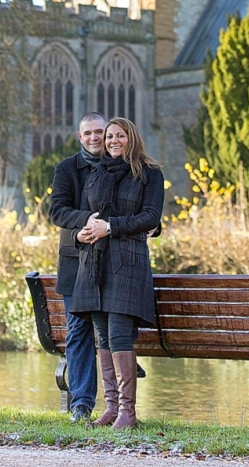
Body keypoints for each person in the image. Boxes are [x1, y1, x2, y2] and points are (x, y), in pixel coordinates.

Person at [69, 117, 164, 430]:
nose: (112, 141)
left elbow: (150, 217)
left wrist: (111, 227)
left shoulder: (148, 173)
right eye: (109, 137)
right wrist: (79, 235)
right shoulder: (97, 174)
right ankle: (110, 408)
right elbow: (88, 215)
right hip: (94, 263)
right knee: (103, 335)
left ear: (131, 137)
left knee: (120, 333)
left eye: (119, 136)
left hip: (128, 262)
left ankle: (128, 412)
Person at [48, 111, 107, 423]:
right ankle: (81, 405)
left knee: (113, 331)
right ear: (80, 137)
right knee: (79, 330)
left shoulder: (122, 165)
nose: (95, 138)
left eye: (100, 132)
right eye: (89, 133)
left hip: (113, 262)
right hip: (76, 263)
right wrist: (84, 222)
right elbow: (57, 210)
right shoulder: (67, 169)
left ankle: (118, 406)